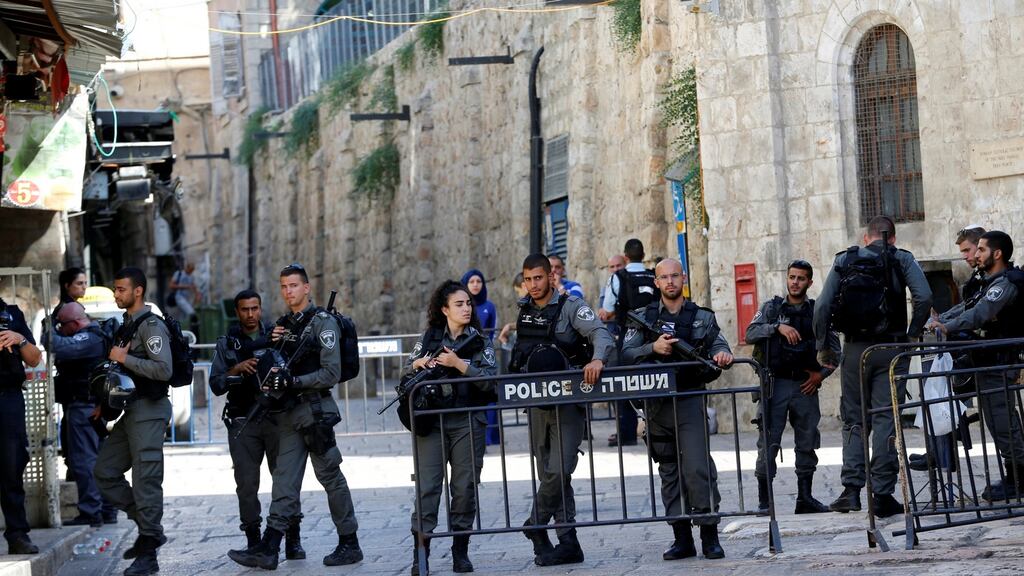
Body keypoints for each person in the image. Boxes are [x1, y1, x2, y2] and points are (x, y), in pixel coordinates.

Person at [229, 264, 362, 570]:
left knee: (329, 475)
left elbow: (332, 372)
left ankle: (349, 542)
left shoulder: (323, 323)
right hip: (289, 413)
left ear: (306, 289)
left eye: (293, 286)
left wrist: (293, 381)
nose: (288, 292)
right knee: (284, 482)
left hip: (316, 412)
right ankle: (270, 547)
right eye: (283, 287)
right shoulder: (286, 326)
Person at [813, 216, 932, 518]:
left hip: (854, 350)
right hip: (891, 347)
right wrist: (912, 334)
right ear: (892, 238)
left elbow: (823, 306)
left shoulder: (846, 259)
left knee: (853, 419)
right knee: (885, 421)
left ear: (866, 238)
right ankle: (882, 494)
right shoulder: (902, 258)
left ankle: (851, 491)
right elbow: (924, 297)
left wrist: (824, 346)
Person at [620, 258, 732, 561]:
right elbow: (626, 354)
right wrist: (651, 348)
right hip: (657, 405)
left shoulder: (701, 317)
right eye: (663, 277)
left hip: (689, 399)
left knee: (697, 467)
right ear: (656, 282)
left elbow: (719, 344)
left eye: (674, 276)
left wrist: (722, 354)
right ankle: (681, 538)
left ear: (683, 278)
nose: (670, 282)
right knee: (669, 470)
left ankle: (709, 535)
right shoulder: (642, 318)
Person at [512, 254, 614, 566]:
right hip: (537, 406)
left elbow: (600, 333)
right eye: (528, 279)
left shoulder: (571, 306)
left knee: (560, 468)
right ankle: (568, 541)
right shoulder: (524, 311)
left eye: (539, 278)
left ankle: (535, 524)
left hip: (568, 403)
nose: (533, 285)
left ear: (551, 278)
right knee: (550, 474)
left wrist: (597, 359)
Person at [403, 280, 497, 575]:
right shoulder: (430, 337)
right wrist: (419, 364)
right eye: (459, 304)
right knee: (428, 488)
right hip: (432, 421)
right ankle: (422, 552)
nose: (466, 308)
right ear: (444, 309)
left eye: (468, 303)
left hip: (467, 420)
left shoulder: (480, 340)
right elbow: (408, 368)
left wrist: (459, 364)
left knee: (465, 487)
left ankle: (461, 550)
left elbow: (491, 380)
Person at [927, 231, 1024, 501]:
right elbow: (967, 307)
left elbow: (980, 314)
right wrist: (940, 320)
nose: (976, 255)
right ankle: (1014, 475)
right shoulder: (988, 282)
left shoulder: (1005, 284)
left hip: (1000, 361)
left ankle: (1019, 478)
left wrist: (946, 326)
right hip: (987, 360)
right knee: (996, 420)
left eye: (981, 249)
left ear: (997, 253)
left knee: (1003, 421)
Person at [210, 290, 304, 559]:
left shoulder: (277, 336)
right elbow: (215, 383)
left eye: (254, 309)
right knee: (247, 485)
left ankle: (293, 540)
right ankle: (253, 539)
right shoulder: (228, 342)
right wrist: (236, 369)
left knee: (285, 481)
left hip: (277, 419)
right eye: (244, 310)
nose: (250, 315)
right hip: (243, 420)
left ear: (261, 309)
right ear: (237, 312)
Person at [93, 267, 174, 576]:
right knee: (105, 471)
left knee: (146, 481)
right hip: (132, 411)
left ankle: (149, 552)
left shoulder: (151, 326)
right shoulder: (128, 324)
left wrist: (124, 358)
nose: (117, 294)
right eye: (116, 289)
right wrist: (104, 403)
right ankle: (147, 524)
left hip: (150, 411)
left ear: (138, 291)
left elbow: (163, 369)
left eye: (121, 289)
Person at [745, 260, 839, 515]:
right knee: (768, 442)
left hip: (805, 386)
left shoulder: (817, 311)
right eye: (792, 277)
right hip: (774, 384)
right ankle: (765, 502)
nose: (795, 282)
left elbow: (835, 351)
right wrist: (777, 327)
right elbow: (750, 333)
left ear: (810, 282)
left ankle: (805, 498)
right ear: (786, 279)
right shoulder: (772, 309)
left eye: (801, 278)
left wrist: (821, 375)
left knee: (807, 442)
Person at [49, 302, 118, 526]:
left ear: (76, 322)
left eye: (62, 324)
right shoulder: (94, 336)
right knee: (98, 461)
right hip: (90, 407)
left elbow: (57, 346)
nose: (60, 329)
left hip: (84, 408)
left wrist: (48, 328)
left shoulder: (89, 337)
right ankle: (106, 509)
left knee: (83, 461)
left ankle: (92, 511)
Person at [602, 239, 659, 447]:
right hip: (654, 336)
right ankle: (658, 429)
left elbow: (607, 307)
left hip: (627, 336)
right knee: (655, 379)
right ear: (643, 255)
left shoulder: (618, 277)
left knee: (623, 382)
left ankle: (626, 433)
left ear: (625, 257)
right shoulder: (654, 275)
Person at [0, 296, 42, 555]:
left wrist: (19, 339)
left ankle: (17, 535)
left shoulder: (11, 314)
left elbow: (35, 359)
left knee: (11, 467)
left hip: (8, 399)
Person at [461, 269, 497, 338]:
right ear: (465, 284)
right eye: (471, 282)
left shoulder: (490, 306)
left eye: (479, 281)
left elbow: (493, 331)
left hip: (484, 346)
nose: (475, 284)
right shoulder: (459, 305)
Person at [168, 262, 200, 326]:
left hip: (187, 298)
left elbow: (194, 286)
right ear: (187, 268)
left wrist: (197, 294)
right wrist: (185, 286)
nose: (191, 272)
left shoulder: (191, 276)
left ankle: (182, 330)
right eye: (190, 270)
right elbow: (171, 285)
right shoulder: (179, 274)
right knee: (191, 312)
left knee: (183, 318)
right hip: (179, 297)